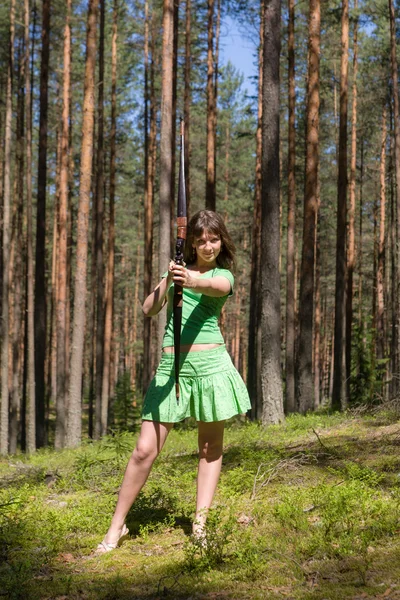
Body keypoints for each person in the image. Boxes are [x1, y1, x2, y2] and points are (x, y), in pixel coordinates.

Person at [96, 209, 251, 554]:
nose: (208, 246)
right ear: (192, 243)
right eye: (201, 240)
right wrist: (169, 278)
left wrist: (191, 280)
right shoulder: (178, 271)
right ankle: (116, 527)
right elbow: (148, 309)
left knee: (210, 449)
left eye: (213, 239)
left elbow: (214, 286)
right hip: (172, 368)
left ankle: (199, 527)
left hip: (212, 368)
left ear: (221, 241)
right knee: (143, 451)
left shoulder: (223, 275)